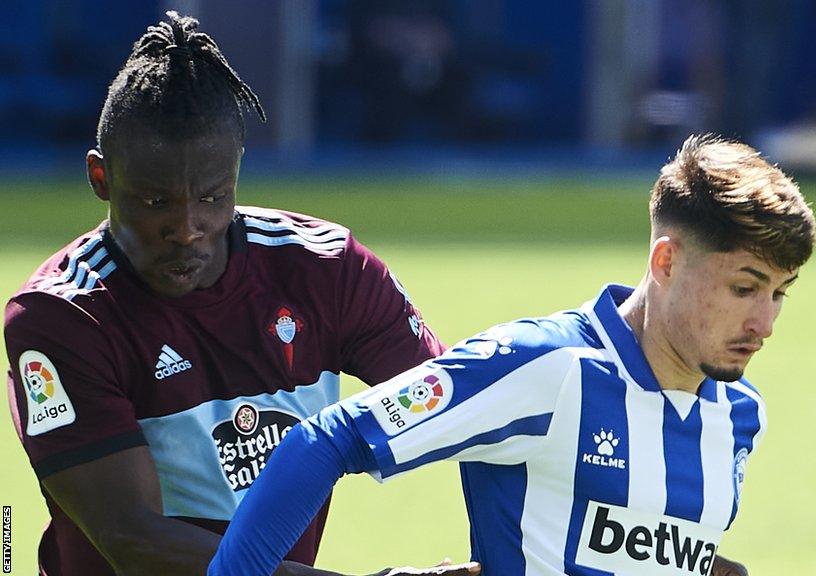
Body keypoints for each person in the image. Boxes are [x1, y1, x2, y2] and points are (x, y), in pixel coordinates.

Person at [208, 134, 816, 576]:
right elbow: (329, 439)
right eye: (744, 288)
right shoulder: (546, 367)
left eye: (779, 293)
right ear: (666, 261)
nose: (764, 322)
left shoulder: (740, 415)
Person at [4, 12, 480, 576]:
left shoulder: (327, 271)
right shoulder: (61, 316)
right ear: (102, 179)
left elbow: (461, 406)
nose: (186, 228)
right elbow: (133, 539)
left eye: (211, 196)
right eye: (156, 202)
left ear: (236, 174)